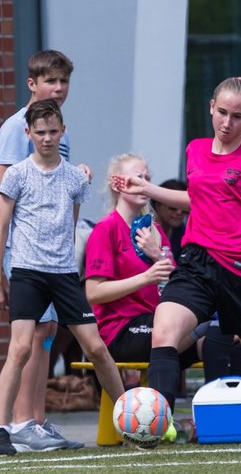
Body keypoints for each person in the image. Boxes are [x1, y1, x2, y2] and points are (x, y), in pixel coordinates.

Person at [112, 77, 241, 451]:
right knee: (164, 331)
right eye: (222, 112)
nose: (226, 122)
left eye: (237, 116)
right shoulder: (196, 150)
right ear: (211, 107)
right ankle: (161, 420)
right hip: (197, 262)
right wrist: (146, 188)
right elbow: (197, 198)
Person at [0, 100, 126, 456]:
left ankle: (131, 418)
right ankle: (0, 431)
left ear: (63, 132)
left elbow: (71, 221)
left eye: (53, 132)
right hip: (28, 272)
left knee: (96, 347)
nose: (47, 139)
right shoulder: (16, 175)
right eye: (40, 132)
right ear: (28, 133)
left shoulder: (75, 178)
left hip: (63, 273)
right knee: (19, 349)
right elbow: (0, 228)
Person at [0, 50, 82, 449]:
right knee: (28, 336)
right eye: (50, 82)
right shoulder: (18, 127)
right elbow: (4, 186)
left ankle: (37, 420)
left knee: (47, 331)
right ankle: (20, 421)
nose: (58, 88)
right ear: (32, 84)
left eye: (63, 82)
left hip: (56, 252)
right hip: (26, 249)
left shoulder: (59, 127)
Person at [84, 154, 197, 378]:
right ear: (118, 184)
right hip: (121, 330)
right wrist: (146, 277)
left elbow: (176, 283)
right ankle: (156, 409)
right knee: (183, 332)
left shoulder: (154, 231)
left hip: (156, 322)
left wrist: (157, 255)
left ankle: (213, 407)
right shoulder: (106, 229)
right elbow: (94, 293)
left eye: (147, 178)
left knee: (217, 335)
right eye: (138, 178)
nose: (144, 184)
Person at [150, 178, 189, 257]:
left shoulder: (182, 231)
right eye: (173, 208)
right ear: (158, 205)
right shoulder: (145, 229)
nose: (179, 212)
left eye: (184, 210)